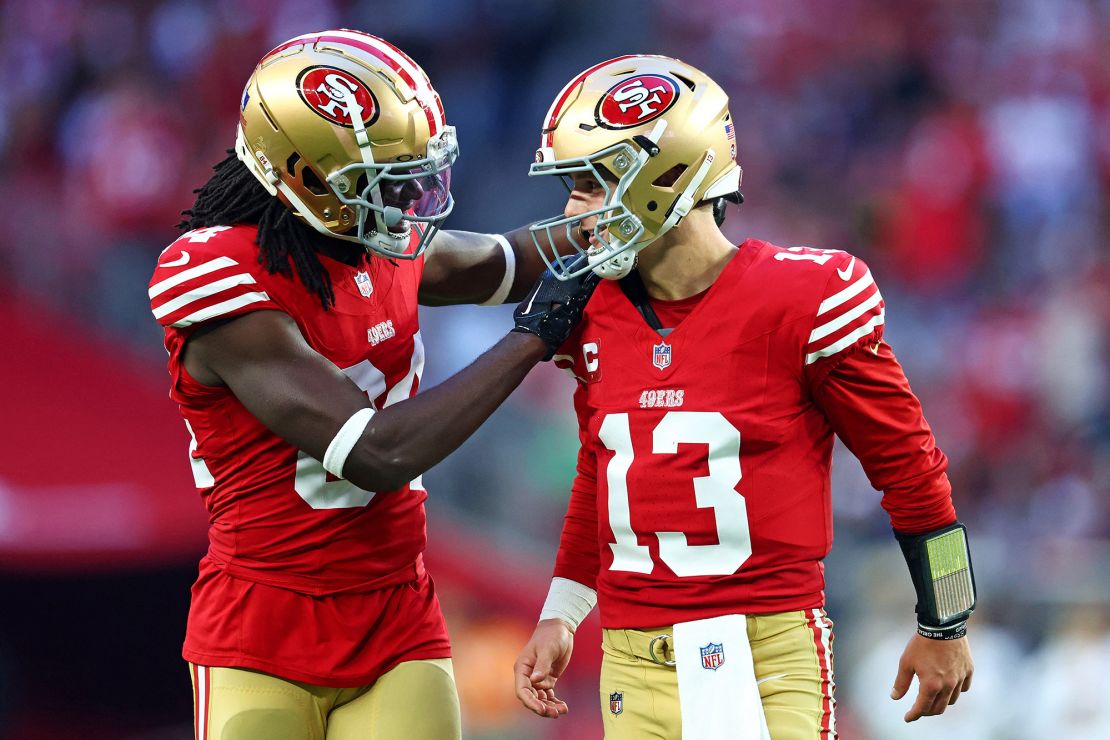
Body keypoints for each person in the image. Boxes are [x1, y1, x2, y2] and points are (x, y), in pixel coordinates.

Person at [148, 30, 596, 740]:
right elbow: (374, 452)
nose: (413, 195)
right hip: (266, 629)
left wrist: (616, 224)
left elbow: (502, 260)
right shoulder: (220, 277)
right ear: (307, 177)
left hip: (396, 615)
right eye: (387, 177)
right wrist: (532, 339)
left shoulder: (372, 241)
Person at [513, 55, 976, 739]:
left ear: (665, 179)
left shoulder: (805, 297)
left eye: (591, 185)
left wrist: (947, 618)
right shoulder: (589, 310)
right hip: (631, 661)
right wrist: (563, 610)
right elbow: (603, 471)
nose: (574, 212)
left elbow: (911, 469)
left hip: (765, 653)